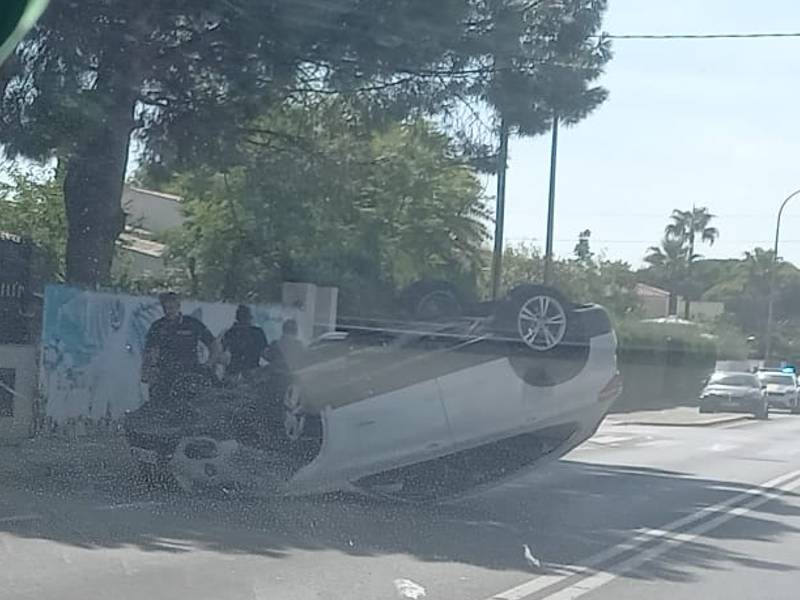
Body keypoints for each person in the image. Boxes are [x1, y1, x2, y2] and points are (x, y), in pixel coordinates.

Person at [141, 291, 220, 405]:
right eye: (166, 308)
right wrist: (148, 371)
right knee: (158, 405)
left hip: (192, 371)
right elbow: (149, 351)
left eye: (172, 307)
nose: (169, 311)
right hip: (166, 372)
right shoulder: (157, 326)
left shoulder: (192, 323)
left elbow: (214, 344)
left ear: (178, 306)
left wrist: (209, 364)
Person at [221, 304, 268, 378]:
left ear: (237, 318)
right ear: (250, 318)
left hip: (233, 372)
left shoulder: (230, 332)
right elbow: (265, 353)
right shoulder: (257, 332)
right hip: (252, 372)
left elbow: (223, 353)